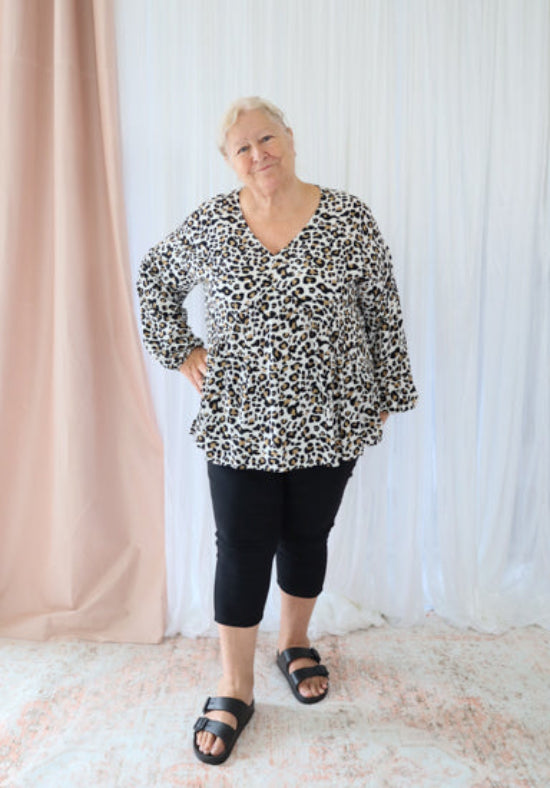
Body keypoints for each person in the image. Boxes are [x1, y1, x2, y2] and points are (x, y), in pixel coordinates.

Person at [137, 96, 417, 765]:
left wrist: (386, 390)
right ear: (230, 162)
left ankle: (294, 643)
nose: (258, 153)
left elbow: (381, 303)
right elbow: (154, 279)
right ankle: (234, 685)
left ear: (290, 138)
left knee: (306, 535)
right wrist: (184, 352)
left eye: (267, 137)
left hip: (332, 412)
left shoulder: (348, 216)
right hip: (239, 419)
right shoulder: (211, 223)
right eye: (242, 146)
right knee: (240, 546)